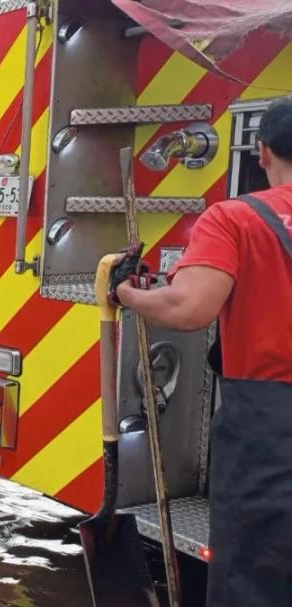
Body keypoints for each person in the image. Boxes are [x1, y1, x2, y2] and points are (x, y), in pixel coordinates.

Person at [112, 96, 292, 606]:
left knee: (256, 576)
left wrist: (128, 293)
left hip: (270, 431)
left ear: (260, 152)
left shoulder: (237, 218)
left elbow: (190, 308)